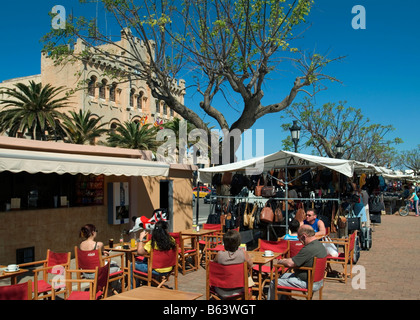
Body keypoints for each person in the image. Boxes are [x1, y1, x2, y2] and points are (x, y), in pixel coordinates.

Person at [268, 225, 327, 300]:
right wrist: (286, 260)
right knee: (282, 276)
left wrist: (281, 261)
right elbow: (296, 260)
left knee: (274, 282)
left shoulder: (308, 249)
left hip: (308, 283)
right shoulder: (319, 245)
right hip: (318, 281)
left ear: (304, 236)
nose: (299, 240)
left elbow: (291, 264)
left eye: (299, 238)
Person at [213, 229, 253, 298]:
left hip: (221, 290)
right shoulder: (243, 254)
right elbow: (250, 265)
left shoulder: (219, 255)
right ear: (238, 242)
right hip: (239, 289)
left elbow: (213, 268)